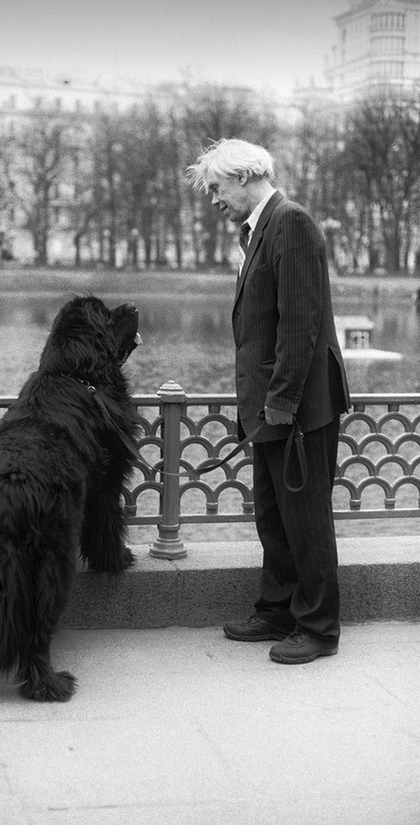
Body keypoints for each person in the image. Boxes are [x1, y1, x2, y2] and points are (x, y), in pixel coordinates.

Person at [187, 138, 350, 664]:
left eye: (215, 187)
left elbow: (301, 327)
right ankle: (278, 609)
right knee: (274, 516)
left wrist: (279, 404)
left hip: (299, 408)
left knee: (306, 519)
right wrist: (258, 409)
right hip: (272, 409)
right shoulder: (261, 228)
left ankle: (320, 628)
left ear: (243, 176)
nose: (212, 199)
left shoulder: (291, 222)